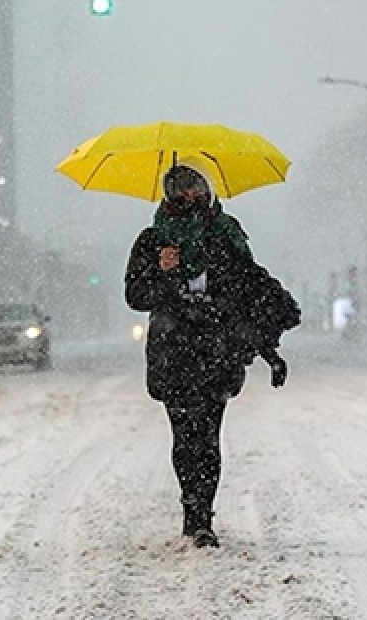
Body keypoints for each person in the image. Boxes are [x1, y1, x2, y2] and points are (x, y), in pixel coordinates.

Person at [124, 164, 300, 547]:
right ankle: (192, 510)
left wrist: (269, 345)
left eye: (196, 189)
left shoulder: (225, 235)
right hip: (173, 354)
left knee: (208, 437)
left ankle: (203, 518)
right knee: (184, 439)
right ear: (169, 196)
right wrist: (160, 269)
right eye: (182, 191)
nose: (192, 197)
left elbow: (249, 290)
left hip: (216, 352)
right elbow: (136, 296)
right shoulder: (153, 241)